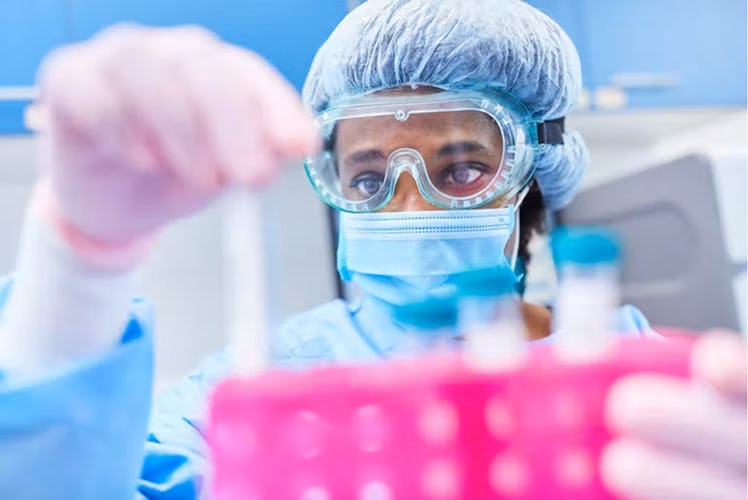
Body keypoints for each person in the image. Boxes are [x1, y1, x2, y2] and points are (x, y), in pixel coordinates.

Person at [0, 1, 744, 499]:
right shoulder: (262, 382)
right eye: (368, 176)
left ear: (530, 177)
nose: (411, 200)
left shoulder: (626, 364)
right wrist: (78, 262)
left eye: (459, 169)